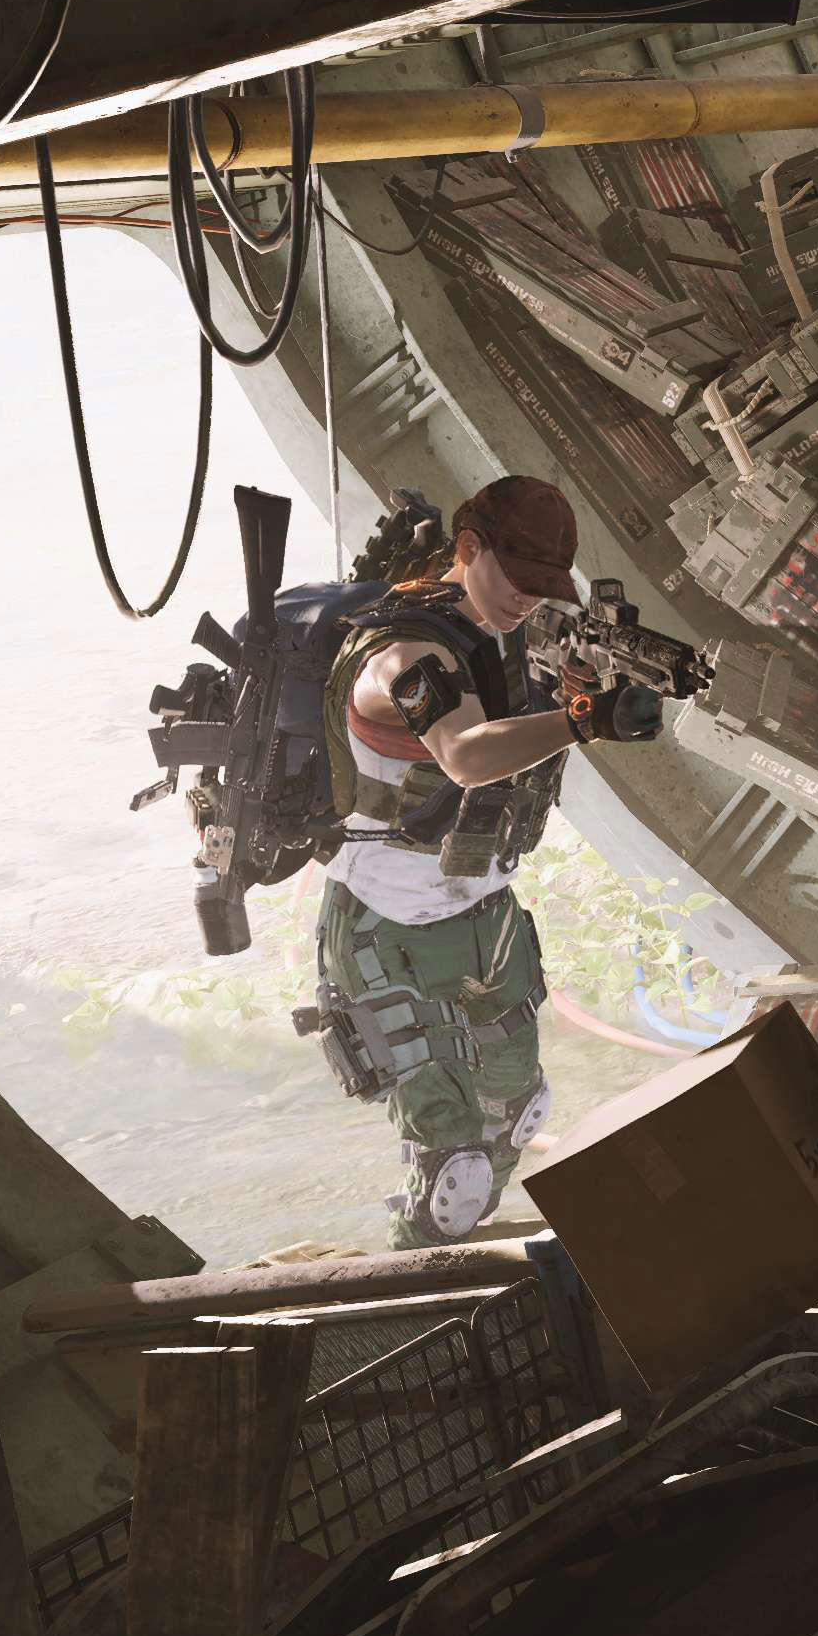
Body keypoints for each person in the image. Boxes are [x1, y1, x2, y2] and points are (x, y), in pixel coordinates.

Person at [316, 475, 662, 1247]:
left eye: (543, 585)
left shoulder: (505, 638)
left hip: (486, 910)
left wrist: (571, 691)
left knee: (517, 1111)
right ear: (469, 549)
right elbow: (466, 755)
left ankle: (458, 1250)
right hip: (388, 923)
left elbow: (515, 742)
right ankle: (419, 1268)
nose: (528, 599)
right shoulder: (401, 653)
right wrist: (585, 719)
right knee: (452, 1165)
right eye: (518, 579)